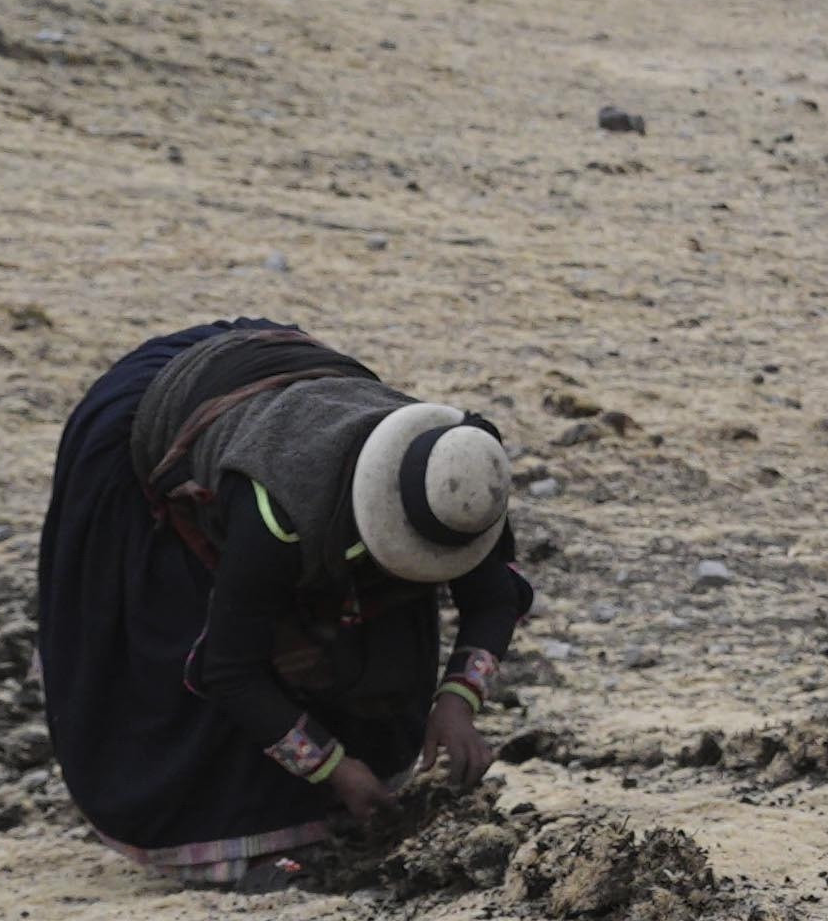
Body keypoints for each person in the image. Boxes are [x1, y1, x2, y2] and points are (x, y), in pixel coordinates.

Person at [36, 321, 529, 880]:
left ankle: (349, 795)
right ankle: (236, 843)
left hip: (285, 388)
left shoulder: (458, 472)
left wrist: (458, 702)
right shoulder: (273, 513)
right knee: (201, 641)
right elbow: (227, 667)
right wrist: (336, 770)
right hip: (161, 417)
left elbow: (493, 597)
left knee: (382, 626)